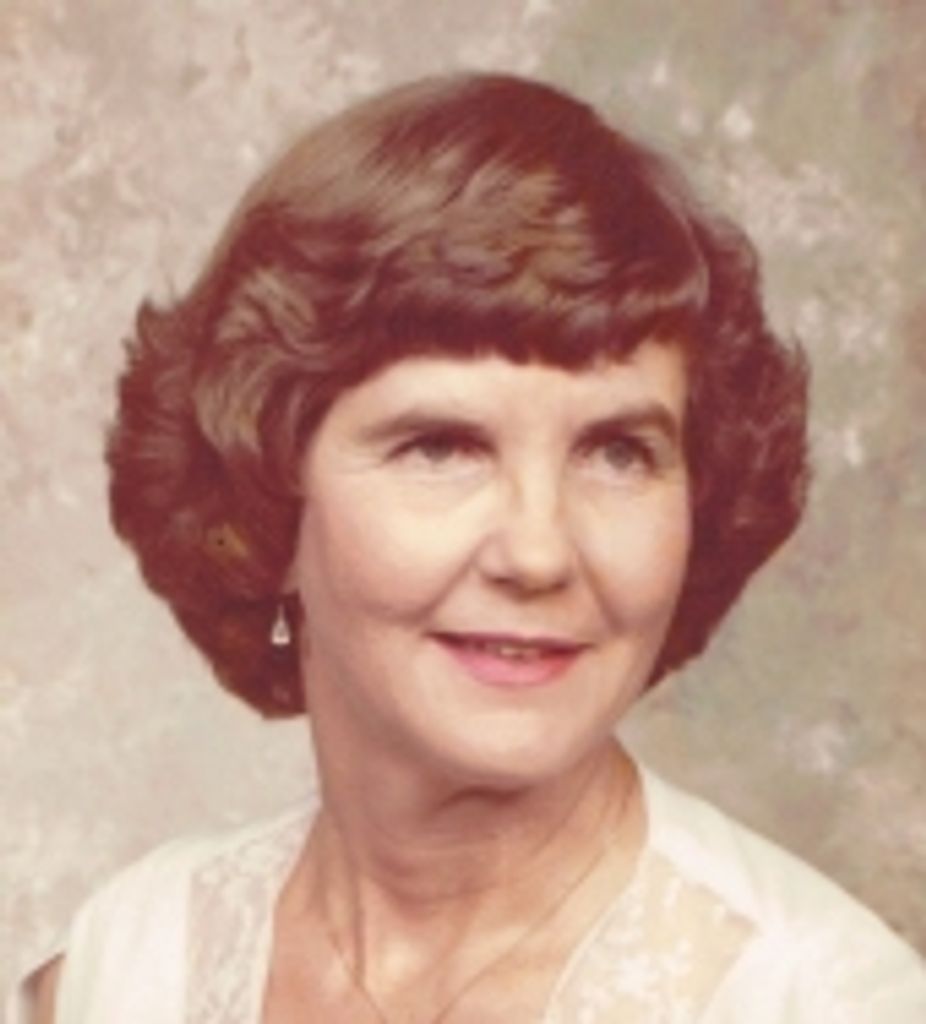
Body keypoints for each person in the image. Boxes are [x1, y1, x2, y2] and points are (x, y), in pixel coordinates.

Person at [11, 72, 925, 1023]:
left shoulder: (824, 1000)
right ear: (264, 505)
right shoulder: (128, 964)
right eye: (441, 447)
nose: (538, 554)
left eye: (619, 452)